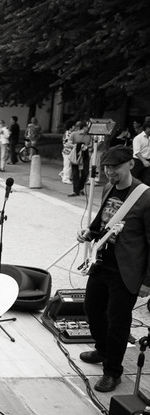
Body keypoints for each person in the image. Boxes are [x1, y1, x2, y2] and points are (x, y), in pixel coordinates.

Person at [77, 146, 150, 392]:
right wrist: (89, 232)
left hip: (126, 270)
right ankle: (102, 349)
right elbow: (104, 220)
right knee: (92, 308)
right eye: (107, 167)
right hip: (102, 262)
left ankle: (113, 371)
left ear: (130, 164)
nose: (110, 172)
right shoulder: (108, 188)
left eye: (115, 167)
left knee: (118, 321)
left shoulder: (145, 196)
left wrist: (147, 282)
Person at [68, 121, 92, 197]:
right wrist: (77, 146)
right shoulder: (74, 134)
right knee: (75, 173)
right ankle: (75, 190)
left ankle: (80, 187)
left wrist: (87, 147)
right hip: (76, 155)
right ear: (84, 127)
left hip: (85, 155)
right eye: (87, 126)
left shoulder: (89, 136)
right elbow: (68, 144)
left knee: (85, 172)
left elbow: (91, 145)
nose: (88, 128)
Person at [131, 120, 150, 185]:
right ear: (147, 128)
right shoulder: (138, 138)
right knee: (133, 180)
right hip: (138, 161)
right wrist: (144, 161)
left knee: (147, 181)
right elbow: (137, 152)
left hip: (148, 161)